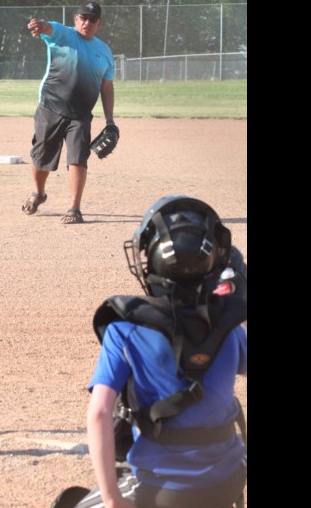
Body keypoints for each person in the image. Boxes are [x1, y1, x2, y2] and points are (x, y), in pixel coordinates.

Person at [68, 195, 247, 508]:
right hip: (227, 482)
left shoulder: (124, 329)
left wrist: (112, 499)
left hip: (161, 491)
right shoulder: (230, 326)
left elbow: (99, 414)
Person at [22, 2, 116, 224]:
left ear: (99, 24)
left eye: (92, 20)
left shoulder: (104, 51)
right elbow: (48, 28)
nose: (87, 23)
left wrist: (110, 120)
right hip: (51, 107)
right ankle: (38, 193)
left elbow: (107, 87)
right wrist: (40, 25)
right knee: (42, 155)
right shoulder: (64, 34)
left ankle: (74, 208)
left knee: (78, 158)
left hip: (81, 114)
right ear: (75, 19)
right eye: (83, 18)